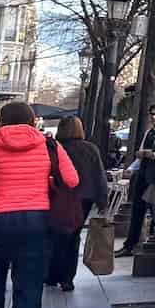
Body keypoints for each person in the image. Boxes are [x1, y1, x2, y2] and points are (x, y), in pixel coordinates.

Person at [0, 101, 79, 308]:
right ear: (33, 120)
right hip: (37, 219)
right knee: (29, 284)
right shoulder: (49, 145)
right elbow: (72, 179)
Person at [46, 118, 107, 292]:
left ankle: (52, 274)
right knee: (73, 237)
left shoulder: (56, 148)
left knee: (55, 235)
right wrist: (102, 200)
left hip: (59, 196)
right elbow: (99, 175)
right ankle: (67, 278)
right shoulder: (90, 149)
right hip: (84, 198)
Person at [118, 101, 155, 256]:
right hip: (144, 175)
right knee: (138, 210)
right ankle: (130, 244)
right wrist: (130, 169)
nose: (154, 117)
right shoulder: (149, 133)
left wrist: (148, 154)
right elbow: (140, 155)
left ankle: (153, 244)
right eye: (152, 114)